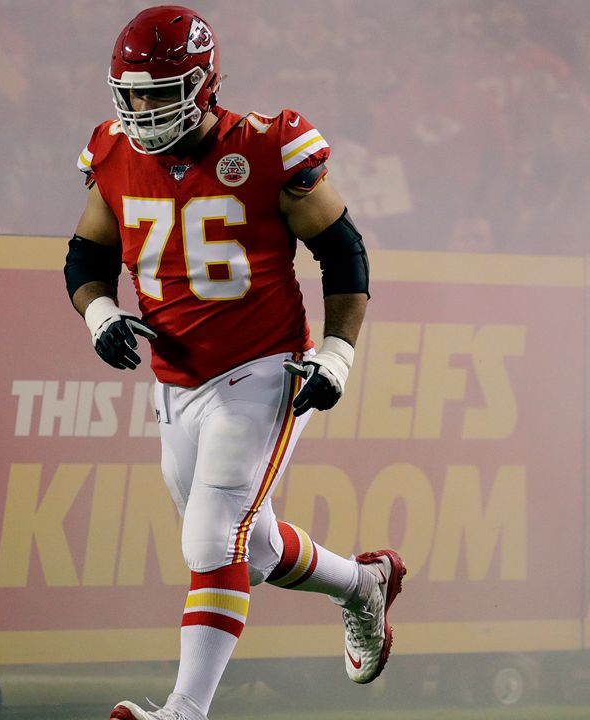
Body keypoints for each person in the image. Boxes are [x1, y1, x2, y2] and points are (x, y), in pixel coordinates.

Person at [64, 7, 405, 720]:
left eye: (161, 92)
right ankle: (362, 584)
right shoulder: (113, 153)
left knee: (212, 535)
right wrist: (98, 314)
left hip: (263, 366)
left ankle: (184, 713)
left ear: (204, 83)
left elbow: (344, 253)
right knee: (246, 552)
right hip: (178, 384)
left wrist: (338, 354)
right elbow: (87, 255)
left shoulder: (267, 146)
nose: (143, 109)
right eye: (133, 93)